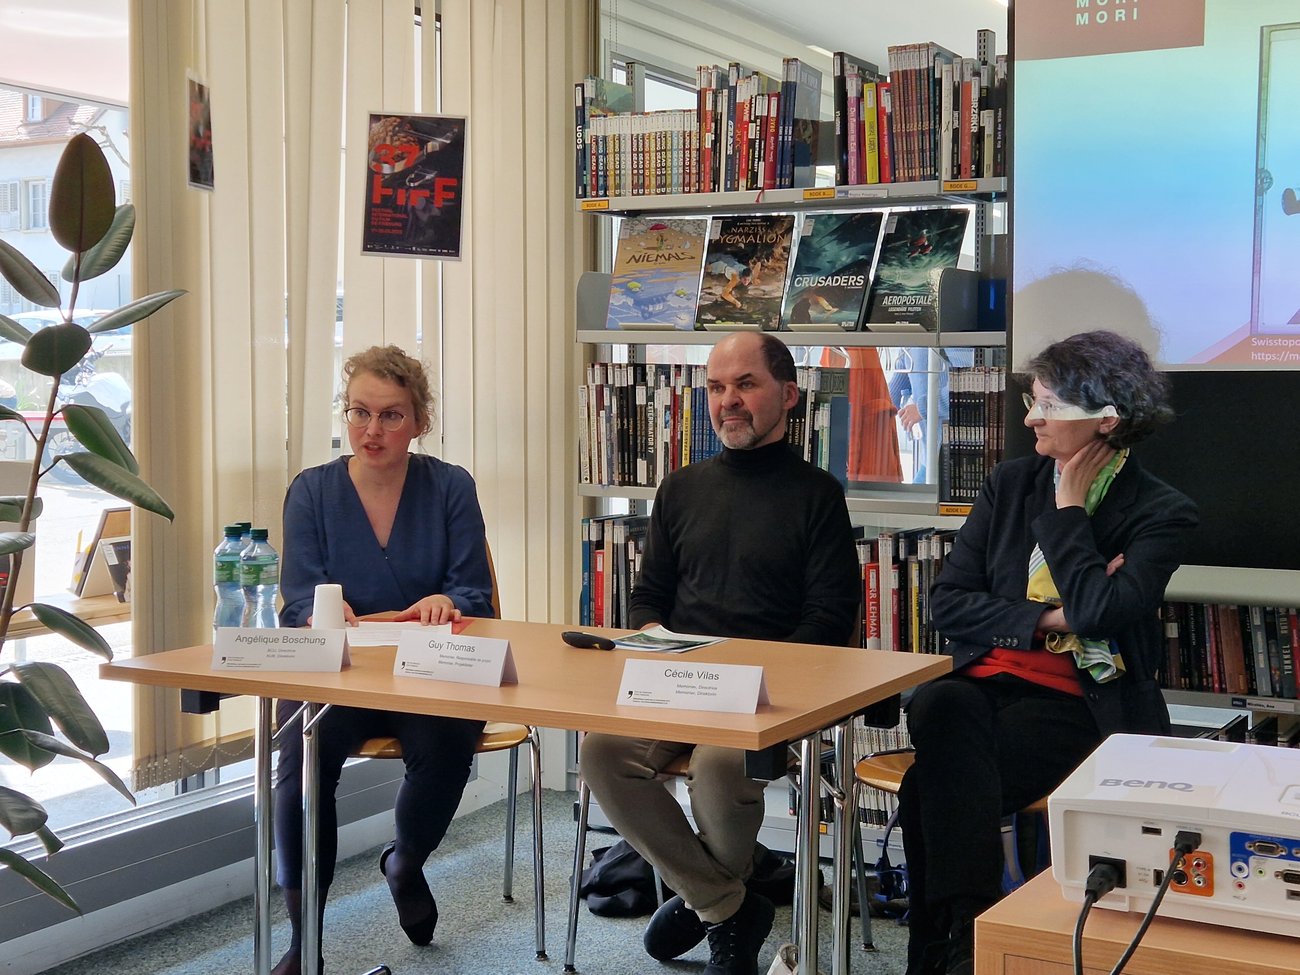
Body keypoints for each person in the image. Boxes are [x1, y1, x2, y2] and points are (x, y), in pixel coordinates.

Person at [899, 330, 1198, 975]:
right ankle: (969, 934)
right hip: (983, 686)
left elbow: (1102, 616)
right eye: (1031, 401)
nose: (1031, 418)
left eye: (1049, 405)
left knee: (928, 786)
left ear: (1106, 419)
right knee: (940, 701)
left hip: (1079, 704)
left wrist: (1068, 512)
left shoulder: (1162, 512)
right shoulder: (1009, 483)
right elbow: (947, 602)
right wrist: (1053, 617)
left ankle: (948, 943)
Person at [579, 331, 861, 975]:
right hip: (680, 682)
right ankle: (725, 905)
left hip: (770, 696)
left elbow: (827, 619)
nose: (727, 400)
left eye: (745, 384)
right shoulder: (680, 488)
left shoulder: (818, 494)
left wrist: (753, 680)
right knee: (601, 752)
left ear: (788, 395)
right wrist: (662, 648)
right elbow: (647, 598)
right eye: (715, 387)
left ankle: (708, 901)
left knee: (716, 767)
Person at [272, 345, 494, 975]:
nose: (372, 430)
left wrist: (448, 602)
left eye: (391, 415)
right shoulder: (311, 491)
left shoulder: (450, 486)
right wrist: (321, 614)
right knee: (301, 757)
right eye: (359, 412)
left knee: (446, 744)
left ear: (420, 421)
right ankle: (304, 938)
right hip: (340, 673)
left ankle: (405, 862)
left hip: (427, 672)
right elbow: (297, 600)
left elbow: (474, 591)